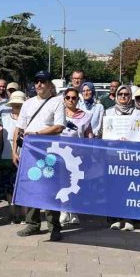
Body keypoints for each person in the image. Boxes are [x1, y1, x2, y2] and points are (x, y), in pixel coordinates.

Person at [13, 71, 66, 241]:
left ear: (50, 84)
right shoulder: (27, 104)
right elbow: (19, 128)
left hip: (49, 151)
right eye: (36, 81)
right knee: (32, 187)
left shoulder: (57, 103)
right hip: (29, 151)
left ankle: (54, 227)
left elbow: (59, 127)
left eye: (43, 81)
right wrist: (15, 149)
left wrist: (37, 134)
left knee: (50, 189)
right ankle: (33, 224)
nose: (39, 85)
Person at [103, 84, 140, 231]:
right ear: (116, 96)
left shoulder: (137, 114)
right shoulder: (108, 112)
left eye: (126, 94)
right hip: (113, 157)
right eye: (120, 94)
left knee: (131, 188)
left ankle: (130, 219)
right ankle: (116, 218)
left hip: (132, 157)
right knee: (115, 187)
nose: (123, 97)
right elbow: (103, 135)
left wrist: (131, 143)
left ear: (130, 96)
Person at [59, 87, 94, 228]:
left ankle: (73, 211)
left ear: (78, 100)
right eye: (68, 97)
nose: (71, 100)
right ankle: (63, 210)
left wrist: (91, 149)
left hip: (77, 156)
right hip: (60, 155)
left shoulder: (85, 116)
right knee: (62, 182)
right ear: (64, 99)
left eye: (74, 98)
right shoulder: (58, 114)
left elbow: (89, 134)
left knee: (75, 183)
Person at [0, 90, 25, 223]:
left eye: (19, 105)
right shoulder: (4, 119)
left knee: (23, 186)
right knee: (8, 188)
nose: (16, 107)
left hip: (24, 158)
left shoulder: (28, 120)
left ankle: (24, 214)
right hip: (7, 157)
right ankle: (12, 213)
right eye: (14, 104)